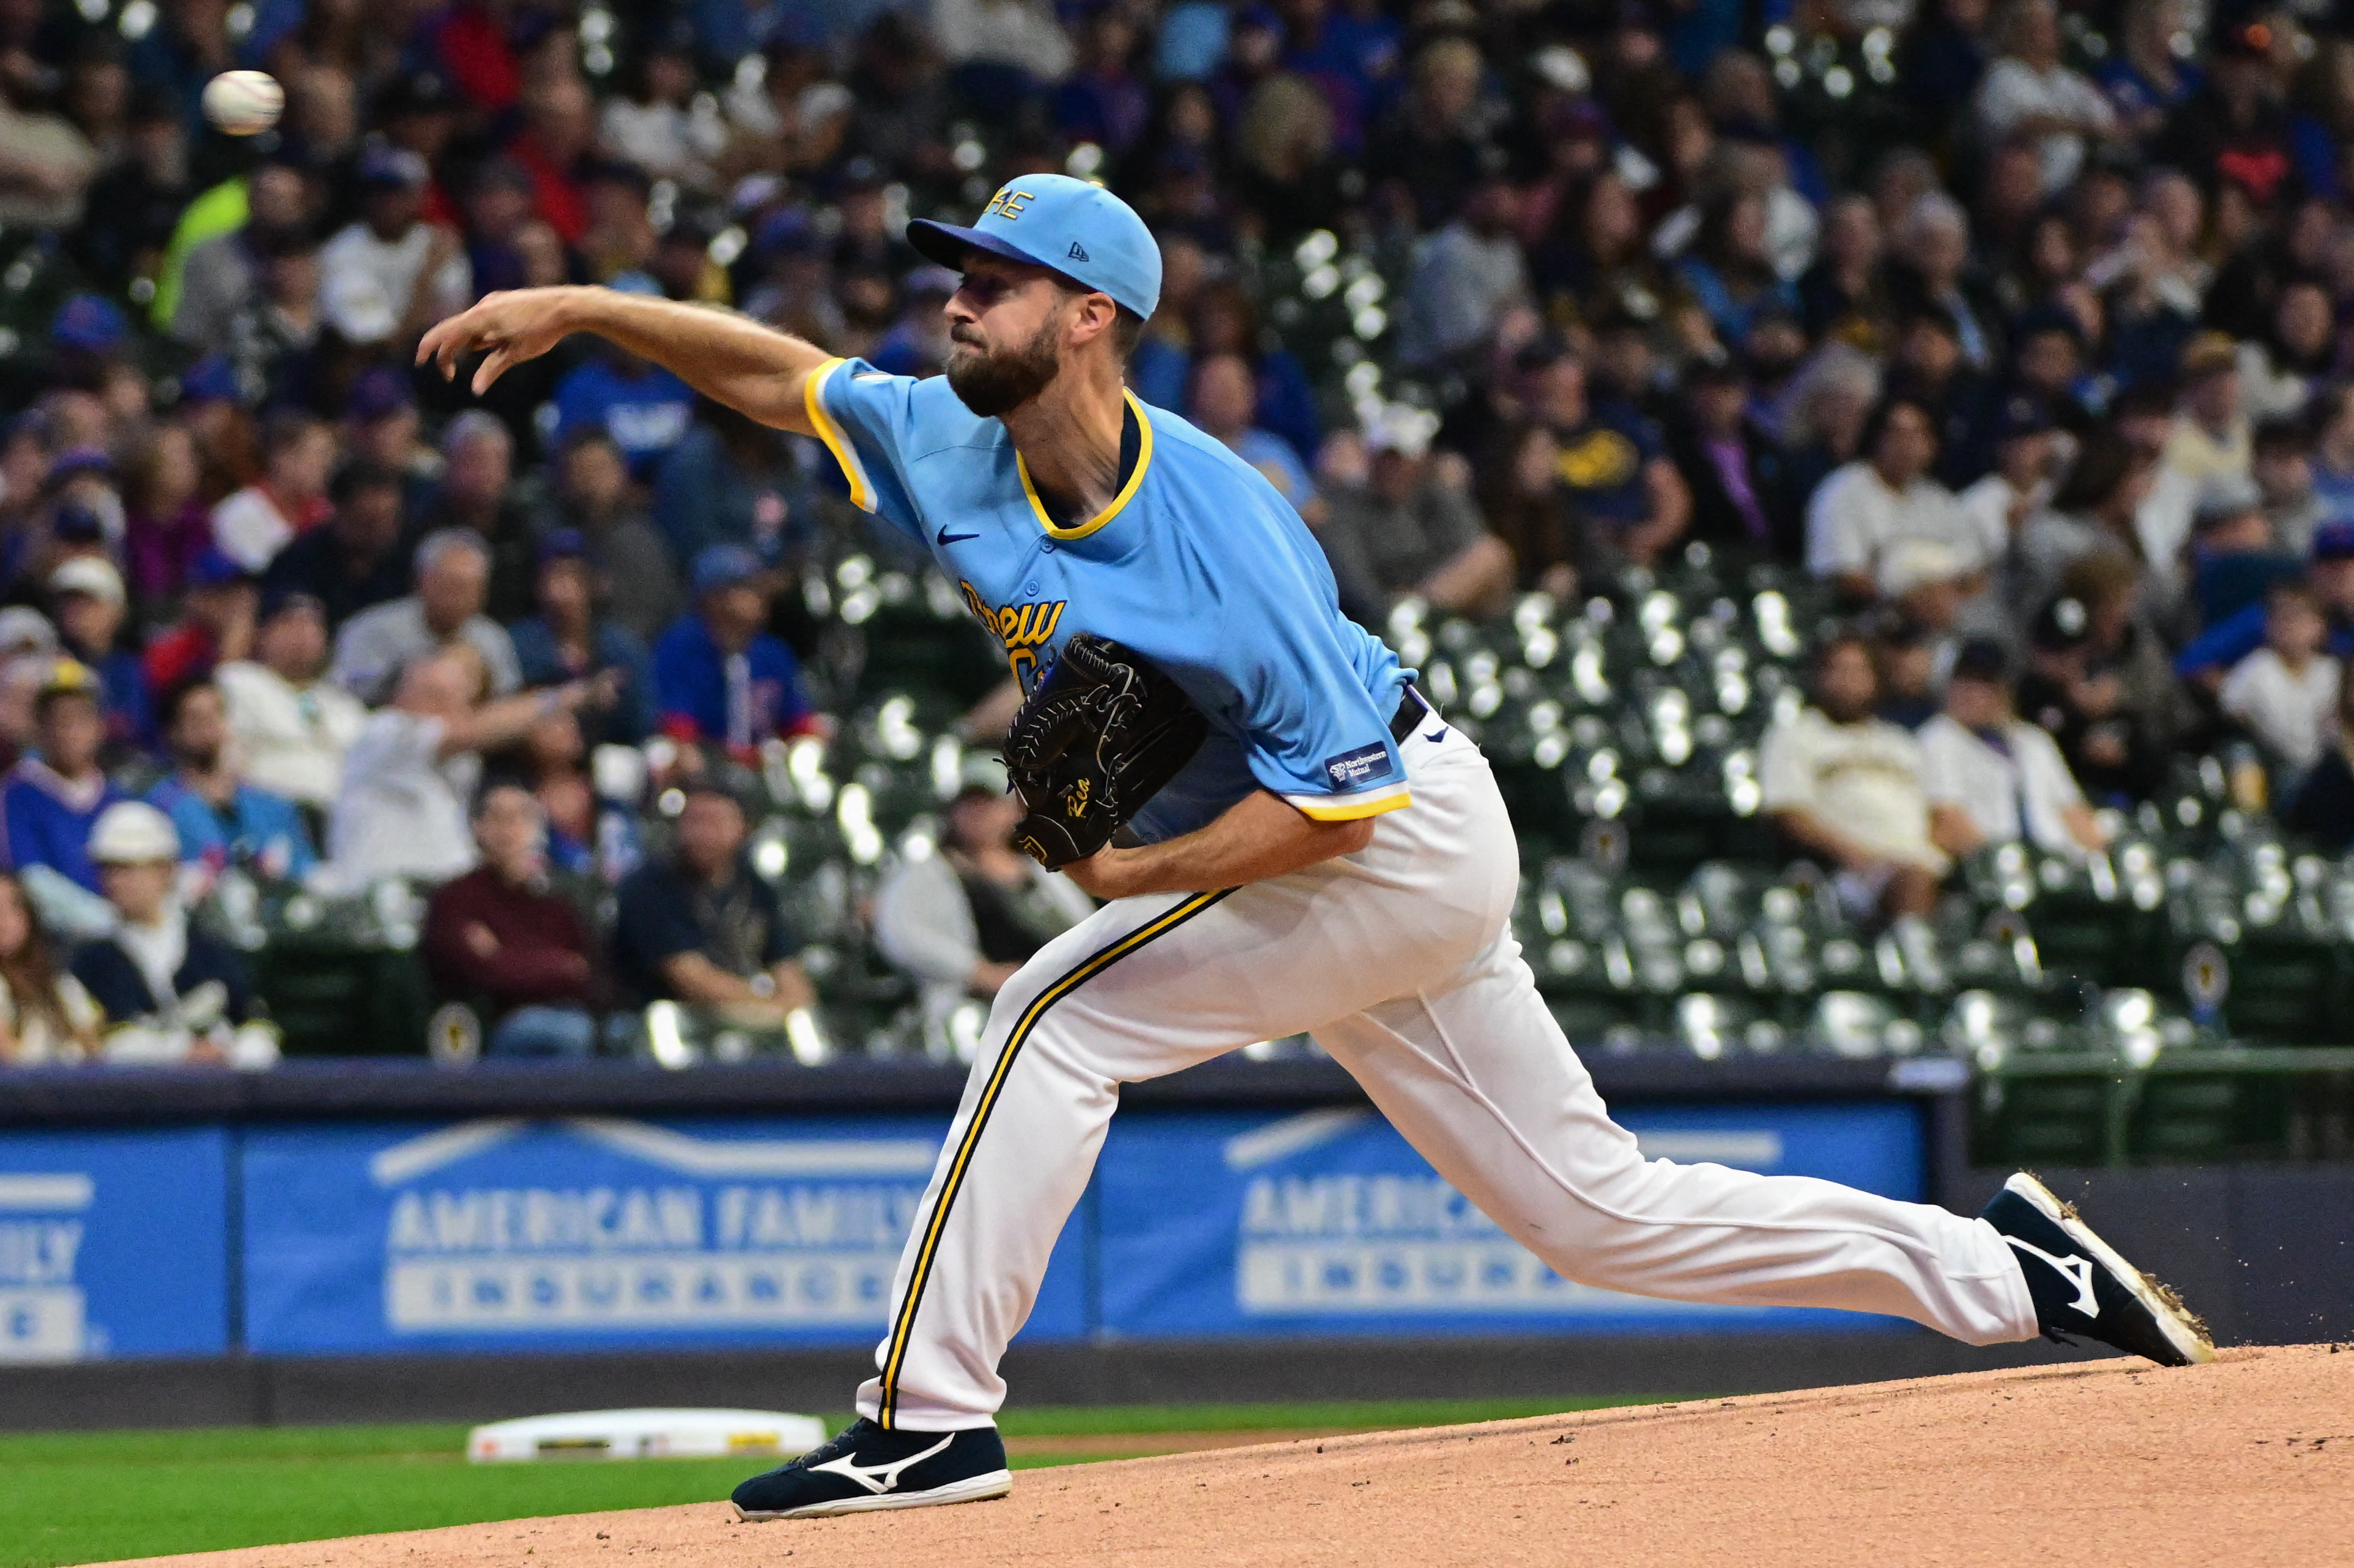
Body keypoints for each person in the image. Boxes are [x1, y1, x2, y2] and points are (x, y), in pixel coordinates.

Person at [420, 175, 2209, 1519]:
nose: (950, 299)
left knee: (1056, 1010)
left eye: (990, 280)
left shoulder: (1223, 532)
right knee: (1595, 1217)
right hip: (1347, 858)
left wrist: (1133, 882)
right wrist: (583, 305)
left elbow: (1329, 808)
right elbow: (783, 380)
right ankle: (2008, 1272)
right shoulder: (945, 434)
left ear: (1093, 316)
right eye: (950, 275)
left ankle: (923, 1422)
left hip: (1388, 835)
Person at [326, 647, 613, 888]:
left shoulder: (463, 762)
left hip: (445, 894)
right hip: (383, 890)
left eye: (457, 699)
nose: (450, 711)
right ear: (402, 696)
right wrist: (563, 699)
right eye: (435, 696)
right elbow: (470, 732)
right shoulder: (383, 732)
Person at [873, 772, 1097, 1053]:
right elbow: (902, 932)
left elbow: (1088, 928)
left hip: (1063, 1010)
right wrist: (978, 972)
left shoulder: (1041, 872)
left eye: (988, 804)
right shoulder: (927, 874)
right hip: (977, 1016)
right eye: (969, 805)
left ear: (1012, 812)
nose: (977, 814)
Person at [1761, 631, 1959, 920]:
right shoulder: (1796, 735)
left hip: (1924, 862)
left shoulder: (1900, 742)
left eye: (1858, 671)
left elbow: (1937, 813)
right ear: (1821, 678)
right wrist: (1859, 857)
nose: (1847, 682)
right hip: (1848, 871)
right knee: (1911, 885)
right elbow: (1790, 815)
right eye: (1838, 670)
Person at [70, 801, 275, 1067]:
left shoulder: (211, 951)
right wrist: (183, 1053)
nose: (114, 882)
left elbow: (256, 1025)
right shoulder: (92, 961)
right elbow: (108, 1042)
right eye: (107, 870)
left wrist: (234, 1055)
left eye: (127, 869)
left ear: (165, 871)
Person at [421, 780, 605, 1058]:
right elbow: (481, 972)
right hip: (494, 1026)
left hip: (573, 1012)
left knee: (625, 1032)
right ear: (478, 827)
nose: (511, 829)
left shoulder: (556, 900)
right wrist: (558, 965)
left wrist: (509, 956)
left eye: (523, 817)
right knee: (570, 1034)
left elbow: (588, 973)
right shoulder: (456, 898)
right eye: (499, 818)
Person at [610, 782, 814, 1019]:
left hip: (751, 1018)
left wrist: (797, 1006)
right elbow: (690, 978)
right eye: (694, 821)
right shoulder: (649, 887)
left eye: (716, 822)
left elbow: (787, 967)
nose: (703, 834)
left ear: (744, 828)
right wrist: (774, 1007)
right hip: (661, 1020)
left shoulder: (756, 888)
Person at [1315, 404, 1514, 622]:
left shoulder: (1435, 496)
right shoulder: (1346, 507)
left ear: (1419, 462)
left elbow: (1471, 546)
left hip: (1439, 601)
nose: (1390, 468)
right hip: (1388, 614)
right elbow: (1357, 587)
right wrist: (1392, 605)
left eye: (1399, 459)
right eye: (1383, 457)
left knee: (1492, 554)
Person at [1918, 638, 2106, 859]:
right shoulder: (1939, 738)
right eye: (1963, 681)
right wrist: (2001, 863)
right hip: (1996, 865)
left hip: (2059, 862)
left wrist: (2100, 857)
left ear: (2003, 692)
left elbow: (2074, 811)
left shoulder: (2034, 741)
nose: (1970, 693)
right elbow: (1947, 820)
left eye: (1984, 684)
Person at [1804, 394, 1977, 603]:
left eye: (1917, 435)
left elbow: (1972, 571)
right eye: (1896, 434)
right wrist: (1908, 601)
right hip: (1864, 619)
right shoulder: (1843, 491)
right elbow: (1841, 577)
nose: (1906, 446)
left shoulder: (1937, 498)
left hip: (1945, 618)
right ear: (1876, 437)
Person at [146, 677, 316, 884]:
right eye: (195, 718)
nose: (208, 726)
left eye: (216, 713)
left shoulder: (273, 806)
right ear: (174, 731)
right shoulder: (159, 809)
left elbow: (307, 871)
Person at [215, 590, 370, 814]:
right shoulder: (239, 682)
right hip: (269, 812)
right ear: (263, 634)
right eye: (289, 624)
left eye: (312, 625)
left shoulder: (343, 704)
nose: (302, 634)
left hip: (340, 815)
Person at [651, 544, 815, 755]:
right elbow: (678, 733)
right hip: (706, 769)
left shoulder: (772, 652)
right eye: (748, 588)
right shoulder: (680, 649)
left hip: (766, 771)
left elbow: (799, 724)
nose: (761, 596)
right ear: (714, 598)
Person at [329, 528, 523, 705]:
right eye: (451, 586)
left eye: (470, 589)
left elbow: (505, 704)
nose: (459, 599)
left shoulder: (492, 639)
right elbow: (345, 701)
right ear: (421, 581)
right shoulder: (371, 631)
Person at [506, 530, 654, 746]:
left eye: (575, 577)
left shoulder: (621, 648)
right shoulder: (518, 644)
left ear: (594, 585)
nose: (564, 589)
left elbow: (643, 722)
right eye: (555, 576)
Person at [2, 660, 125, 900]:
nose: (69, 732)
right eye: (58, 720)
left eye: (80, 718)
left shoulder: (115, 797)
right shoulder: (19, 794)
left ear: (99, 727)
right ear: (40, 728)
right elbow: (31, 877)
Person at [258, 459, 413, 630]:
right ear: (337, 512)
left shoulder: (410, 560)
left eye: (391, 520)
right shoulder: (298, 561)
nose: (384, 531)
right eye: (369, 522)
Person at [2219, 580, 2339, 783]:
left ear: (2320, 626)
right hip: (2273, 767)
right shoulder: (2256, 669)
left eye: (2299, 617)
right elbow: (2232, 707)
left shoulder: (2332, 672)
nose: (2289, 626)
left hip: (2325, 770)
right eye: (2281, 617)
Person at [0, 870, 101, 1065]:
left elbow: (94, 1052)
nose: (3, 920)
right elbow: (8, 1059)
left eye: (13, 907)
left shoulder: (61, 984)